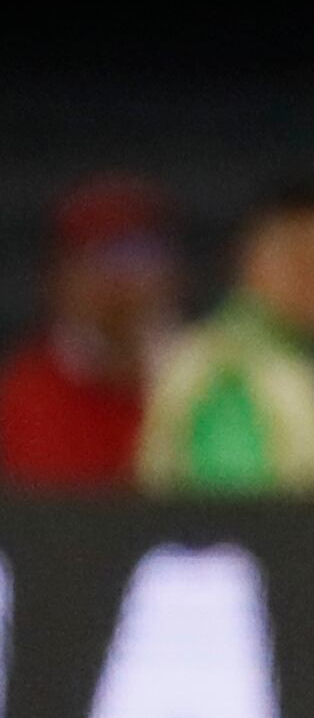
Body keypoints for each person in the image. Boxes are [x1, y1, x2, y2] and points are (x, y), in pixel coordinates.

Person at [136, 176, 314, 496]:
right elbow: (231, 520)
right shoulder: (233, 375)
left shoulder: (287, 369)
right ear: (250, 259)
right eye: (308, 262)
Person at [1, 176, 180, 490]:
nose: (117, 282)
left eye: (135, 257)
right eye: (95, 260)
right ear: (57, 279)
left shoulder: (209, 385)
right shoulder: (18, 399)